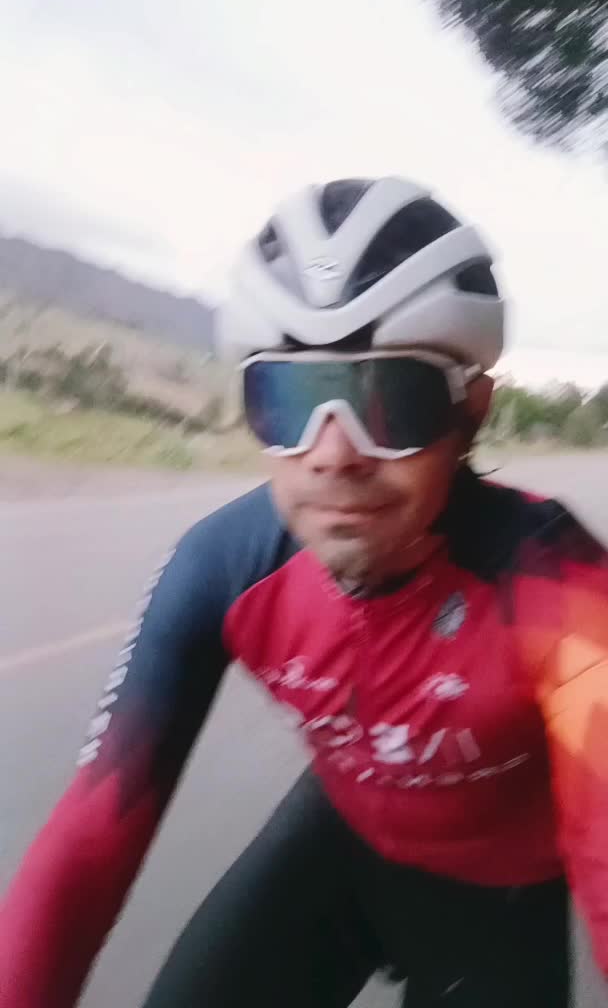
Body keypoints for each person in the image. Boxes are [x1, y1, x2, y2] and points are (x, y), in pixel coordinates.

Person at [1, 176, 607, 1008]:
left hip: (498, 903)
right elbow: (90, 836)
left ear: (469, 413)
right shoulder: (222, 565)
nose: (332, 454)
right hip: (335, 846)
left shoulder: (563, 591)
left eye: (387, 402)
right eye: (288, 399)